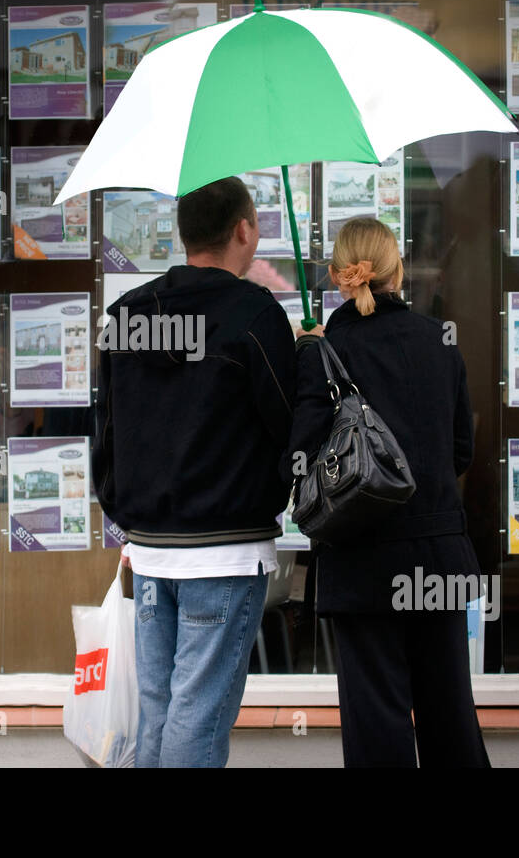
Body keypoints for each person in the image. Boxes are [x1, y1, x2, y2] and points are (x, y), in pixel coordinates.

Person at [93, 176, 296, 768]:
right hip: (225, 551)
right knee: (197, 716)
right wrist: (305, 357)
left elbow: (104, 428)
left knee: (159, 711)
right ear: (243, 230)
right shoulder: (256, 314)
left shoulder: (127, 315)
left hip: (152, 548)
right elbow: (287, 425)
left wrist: (125, 514)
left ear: (183, 234)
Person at [288, 216, 489, 768]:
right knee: (450, 714)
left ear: (336, 276)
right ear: (398, 270)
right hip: (438, 561)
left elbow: (299, 459)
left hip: (362, 568)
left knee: (377, 724)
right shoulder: (439, 341)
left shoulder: (325, 352)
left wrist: (307, 356)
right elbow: (461, 451)